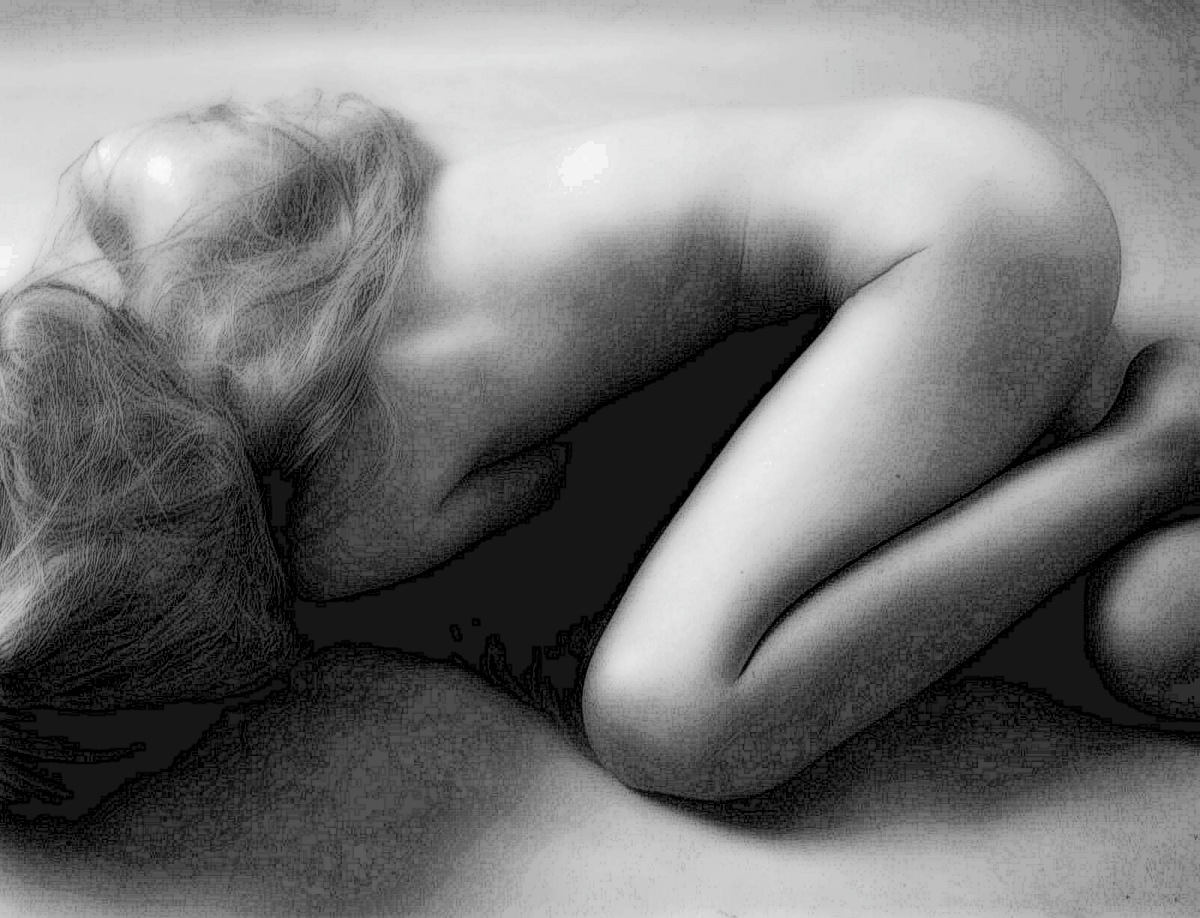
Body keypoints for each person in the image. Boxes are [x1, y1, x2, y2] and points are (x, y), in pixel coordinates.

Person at [0, 90, 1194, 805]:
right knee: (1149, 627)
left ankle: (1153, 447)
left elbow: (556, 484)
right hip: (938, 170)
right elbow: (310, 140)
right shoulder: (170, 193)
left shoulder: (334, 524)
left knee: (669, 712)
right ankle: (1093, 509)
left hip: (959, 259)